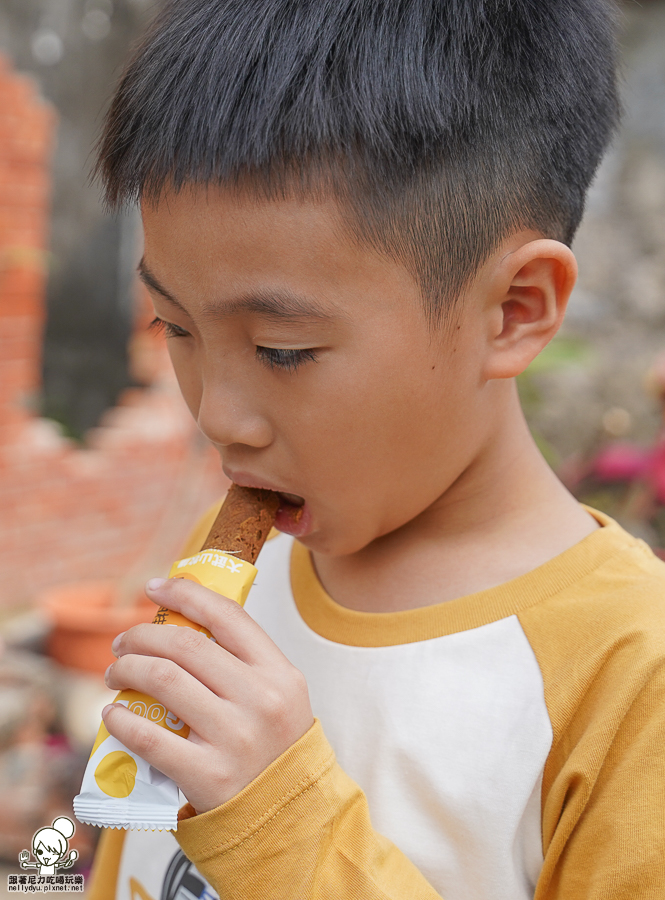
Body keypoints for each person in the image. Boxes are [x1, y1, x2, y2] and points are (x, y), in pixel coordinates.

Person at [87, 1, 665, 898]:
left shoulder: (630, 678)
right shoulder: (239, 557)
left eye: (283, 350)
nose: (220, 416)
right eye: (175, 325)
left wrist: (280, 822)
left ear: (513, 309)